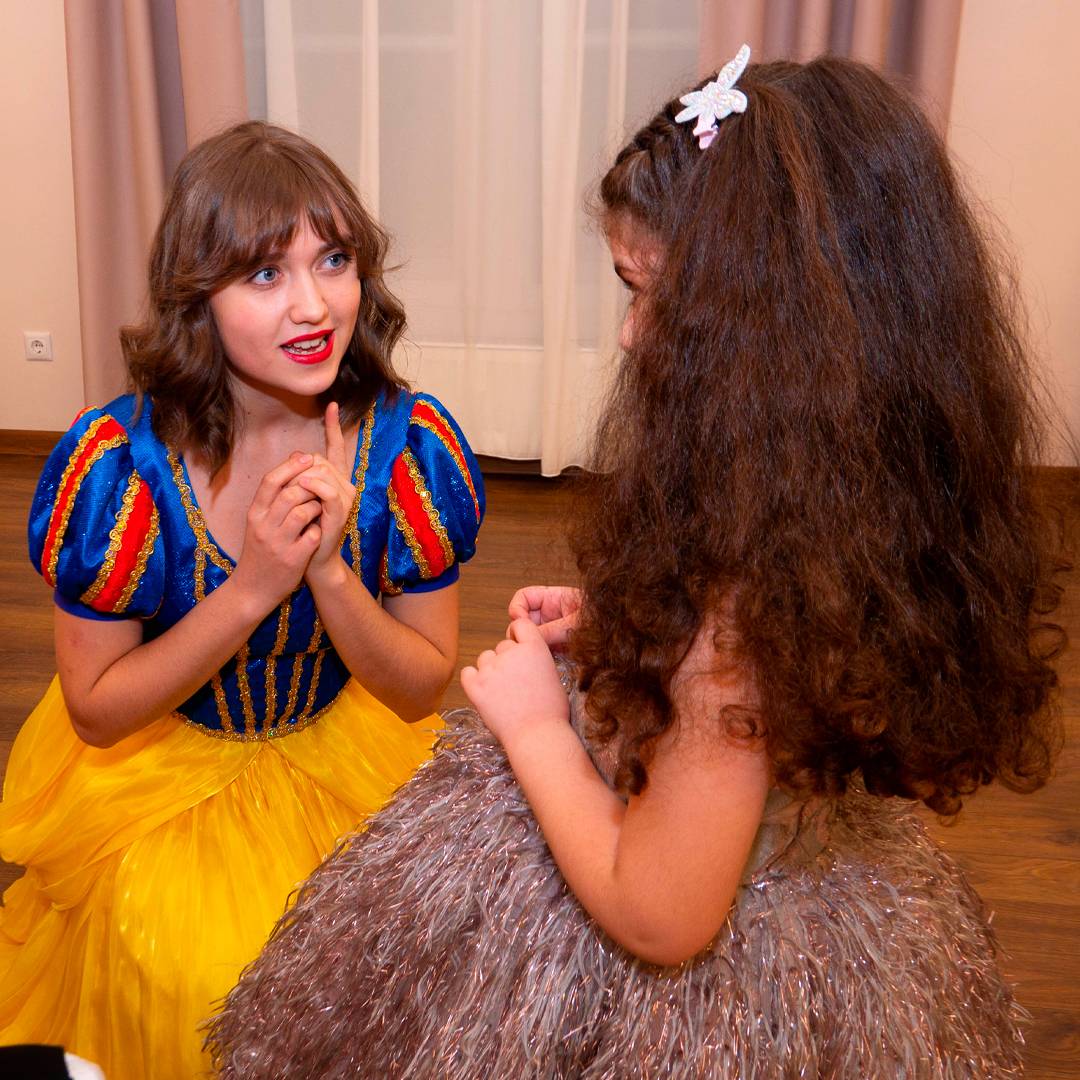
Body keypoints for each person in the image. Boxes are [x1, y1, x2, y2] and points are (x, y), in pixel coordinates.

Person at [209, 52, 1063, 1078]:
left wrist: (534, 723)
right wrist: (638, 631)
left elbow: (660, 915)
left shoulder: (738, 620)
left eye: (652, 297)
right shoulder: (844, 508)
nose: (628, 334)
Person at [0, 121, 484, 1079]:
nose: (313, 305)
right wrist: (255, 584)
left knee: (398, 961)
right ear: (198, 300)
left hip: (348, 751)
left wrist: (329, 573)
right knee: (202, 978)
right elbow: (97, 712)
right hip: (161, 774)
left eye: (333, 261)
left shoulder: (410, 447)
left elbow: (420, 688)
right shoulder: (120, 470)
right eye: (265, 274)